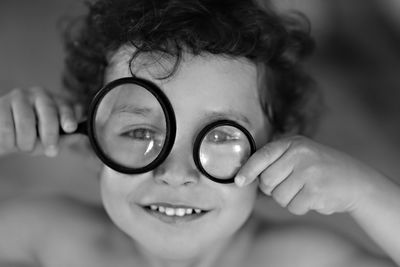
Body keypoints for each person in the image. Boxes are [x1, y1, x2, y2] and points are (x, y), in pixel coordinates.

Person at [0, 0, 399, 266]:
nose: (176, 172)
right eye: (140, 133)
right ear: (92, 142)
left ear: (276, 153)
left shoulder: (298, 259)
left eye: (222, 137)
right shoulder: (51, 237)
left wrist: (366, 193)